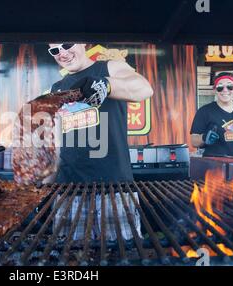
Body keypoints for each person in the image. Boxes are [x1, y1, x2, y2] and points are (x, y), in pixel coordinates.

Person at [47, 43, 153, 241]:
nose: (63, 53)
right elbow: (57, 143)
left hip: (114, 189)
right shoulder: (57, 88)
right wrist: (45, 185)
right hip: (69, 190)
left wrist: (107, 85)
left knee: (122, 256)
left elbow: (144, 89)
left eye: (67, 45)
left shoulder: (109, 67)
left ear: (82, 42)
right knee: (70, 257)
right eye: (55, 50)